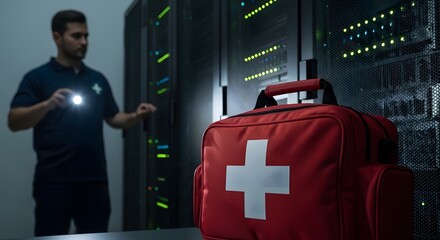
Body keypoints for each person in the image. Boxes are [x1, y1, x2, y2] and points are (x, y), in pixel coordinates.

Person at [8, 10, 156, 236]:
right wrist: (47, 104)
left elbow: (113, 118)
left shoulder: (97, 79)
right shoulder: (37, 78)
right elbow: (14, 121)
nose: (84, 42)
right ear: (57, 37)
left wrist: (135, 116)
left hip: (94, 183)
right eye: (76, 36)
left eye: (86, 36)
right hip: (53, 183)